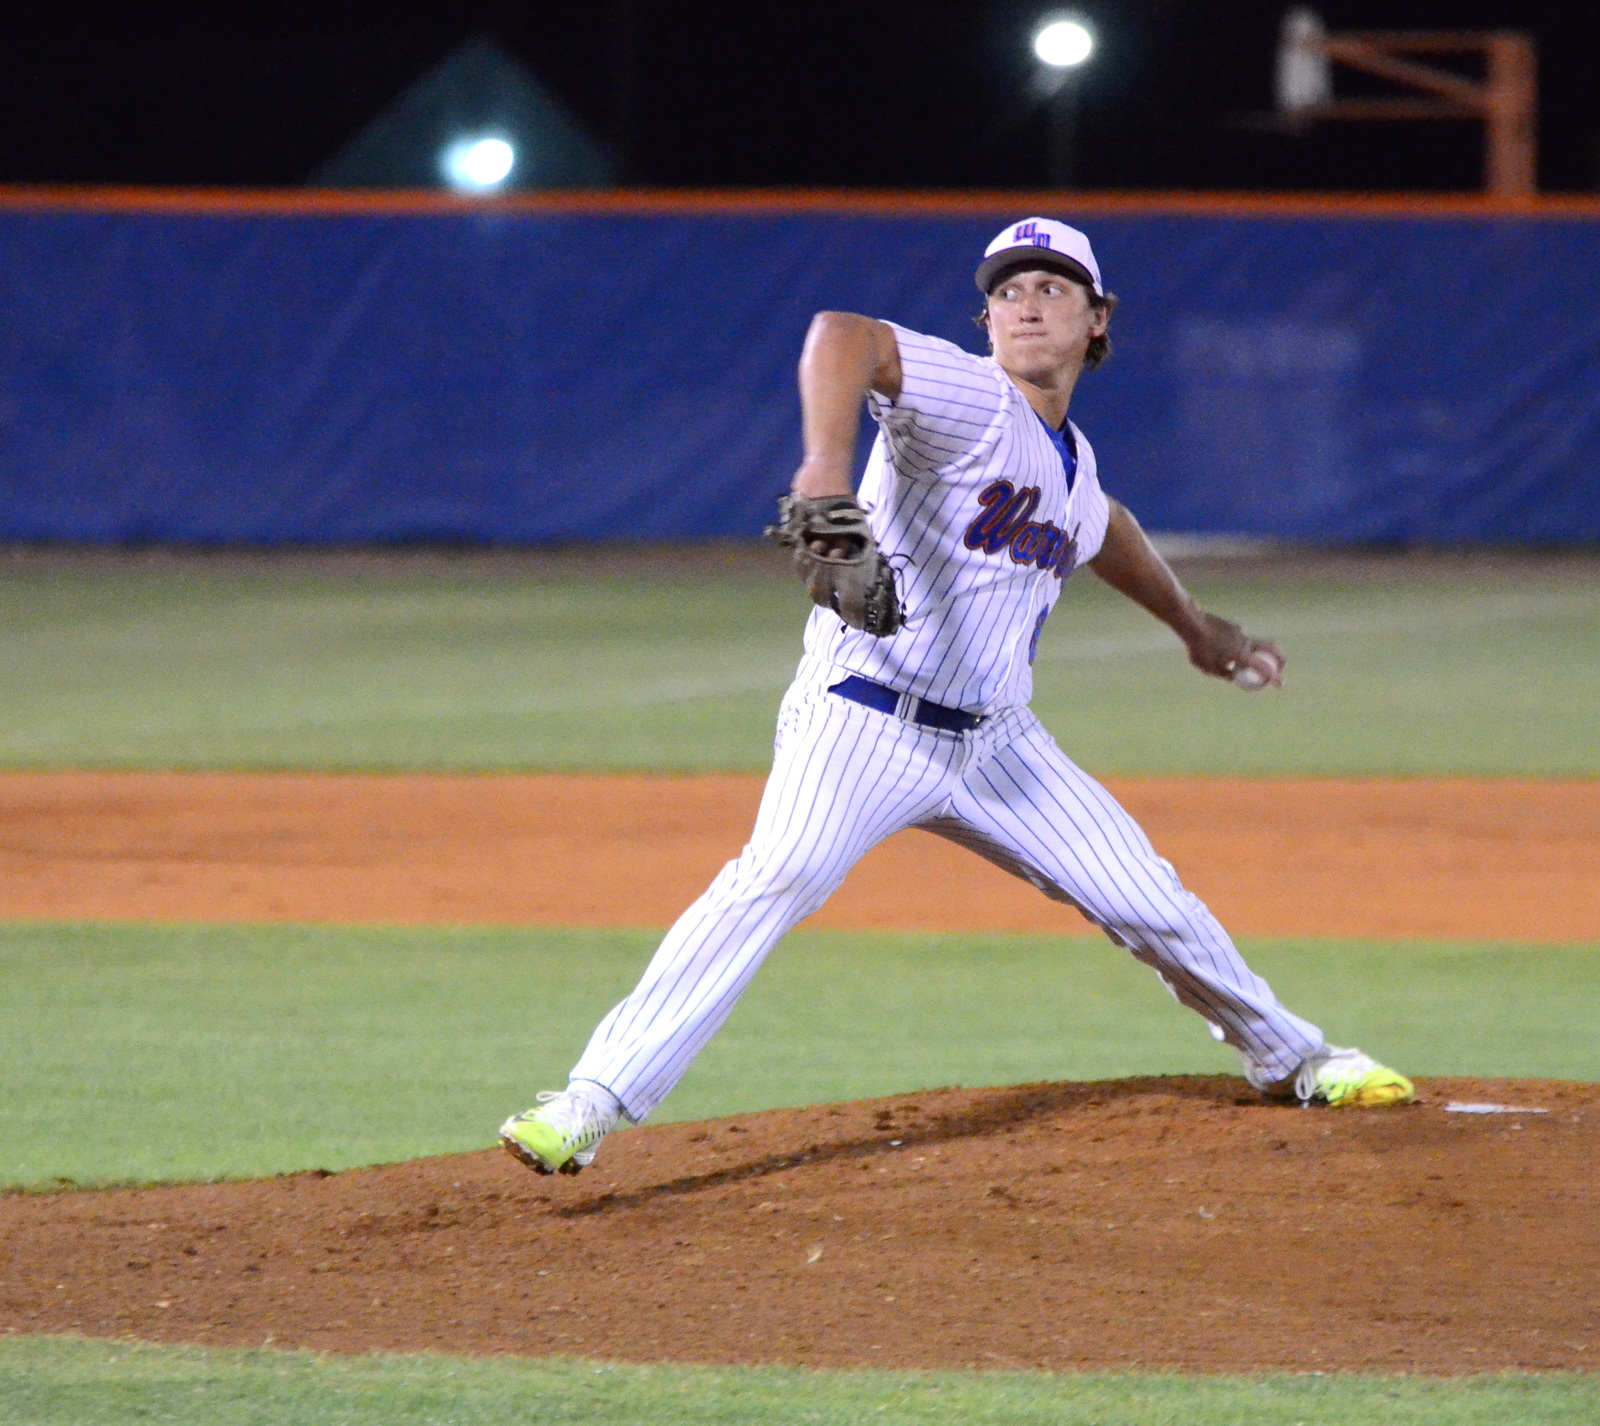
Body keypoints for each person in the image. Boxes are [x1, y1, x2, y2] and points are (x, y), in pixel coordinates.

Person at [498, 217, 1412, 1176]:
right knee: (776, 877)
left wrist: (1196, 627)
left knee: (1150, 901)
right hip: (861, 718)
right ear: (983, 319)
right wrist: (820, 469)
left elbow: (1106, 529)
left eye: (1053, 289)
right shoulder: (969, 394)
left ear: (1100, 321)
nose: (1026, 303)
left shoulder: (1073, 461)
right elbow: (843, 333)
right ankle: (588, 1103)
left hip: (999, 744)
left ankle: (1293, 1057)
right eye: (1009, 290)